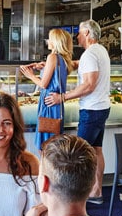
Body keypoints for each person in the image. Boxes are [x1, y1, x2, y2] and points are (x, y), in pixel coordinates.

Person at [45, 19, 110, 204]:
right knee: (96, 150)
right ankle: (96, 191)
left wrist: (62, 97)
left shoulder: (90, 54)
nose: (78, 36)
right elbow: (78, 64)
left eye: (80, 33)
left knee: (79, 155)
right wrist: (49, 66)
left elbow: (89, 85)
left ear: (88, 34)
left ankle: (77, 196)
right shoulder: (100, 51)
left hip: (91, 110)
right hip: (102, 107)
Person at [20, 28, 74, 150]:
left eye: (50, 38)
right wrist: (43, 68)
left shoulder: (52, 57)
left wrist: (31, 75)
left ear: (56, 41)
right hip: (56, 104)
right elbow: (54, 75)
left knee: (45, 145)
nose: (47, 41)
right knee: (53, 145)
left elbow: (44, 84)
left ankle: (46, 168)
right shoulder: (63, 59)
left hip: (48, 103)